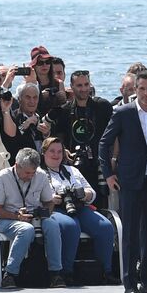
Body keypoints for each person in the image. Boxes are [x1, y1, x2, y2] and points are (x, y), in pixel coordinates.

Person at [99, 70, 147, 293]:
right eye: (142, 89)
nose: (146, 93)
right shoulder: (123, 113)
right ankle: (129, 284)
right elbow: (104, 143)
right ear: (135, 90)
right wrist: (109, 175)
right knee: (129, 233)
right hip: (129, 180)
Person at [40, 137, 115, 284]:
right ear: (43, 153)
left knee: (105, 227)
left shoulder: (72, 170)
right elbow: (34, 197)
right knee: (71, 226)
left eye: (59, 152)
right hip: (56, 208)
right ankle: (66, 272)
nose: (56, 155)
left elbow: (92, 193)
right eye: (52, 151)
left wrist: (85, 194)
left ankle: (105, 271)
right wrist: (51, 199)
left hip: (79, 206)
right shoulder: (38, 173)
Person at [0, 147, 62, 289]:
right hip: (8, 218)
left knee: (52, 225)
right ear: (17, 165)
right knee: (26, 229)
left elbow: (49, 202)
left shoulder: (40, 175)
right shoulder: (3, 177)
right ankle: (10, 274)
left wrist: (44, 213)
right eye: (27, 173)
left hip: (34, 217)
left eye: (33, 173)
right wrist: (17, 216)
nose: (30, 176)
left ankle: (56, 273)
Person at [50, 69, 113, 208]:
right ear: (71, 87)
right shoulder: (65, 111)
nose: (84, 89)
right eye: (79, 85)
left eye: (86, 84)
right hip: (75, 166)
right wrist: (64, 150)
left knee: (101, 204)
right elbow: (56, 137)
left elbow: (116, 135)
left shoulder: (102, 107)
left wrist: (113, 159)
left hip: (99, 165)